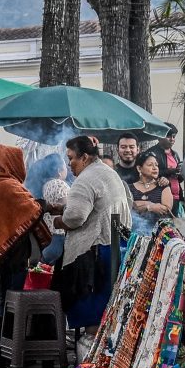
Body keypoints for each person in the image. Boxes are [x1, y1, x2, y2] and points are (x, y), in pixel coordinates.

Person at [48, 136, 131, 333]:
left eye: (72, 158)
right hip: (114, 247)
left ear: (84, 157)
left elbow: (75, 217)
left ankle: (88, 357)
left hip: (93, 254)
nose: (69, 164)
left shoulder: (85, 179)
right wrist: (64, 207)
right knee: (106, 308)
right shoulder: (107, 172)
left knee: (92, 310)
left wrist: (59, 220)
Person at [0, 145, 49, 300]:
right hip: (13, 254)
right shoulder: (7, 185)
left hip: (8, 253)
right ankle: (10, 324)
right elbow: (31, 209)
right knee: (13, 296)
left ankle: (5, 321)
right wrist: (48, 206)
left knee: (7, 297)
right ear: (11, 162)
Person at [129, 151, 174, 237]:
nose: (155, 168)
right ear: (139, 168)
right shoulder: (130, 188)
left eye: (156, 165)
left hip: (159, 236)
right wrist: (150, 206)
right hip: (134, 235)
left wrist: (141, 205)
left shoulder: (163, 186)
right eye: (150, 165)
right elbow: (131, 207)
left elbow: (166, 209)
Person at [143, 123, 183, 215]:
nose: (172, 139)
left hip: (176, 197)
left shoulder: (175, 154)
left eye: (174, 136)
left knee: (175, 227)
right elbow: (147, 174)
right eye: (169, 136)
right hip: (159, 199)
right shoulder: (151, 153)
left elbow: (178, 179)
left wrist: (180, 173)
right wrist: (170, 171)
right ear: (160, 137)